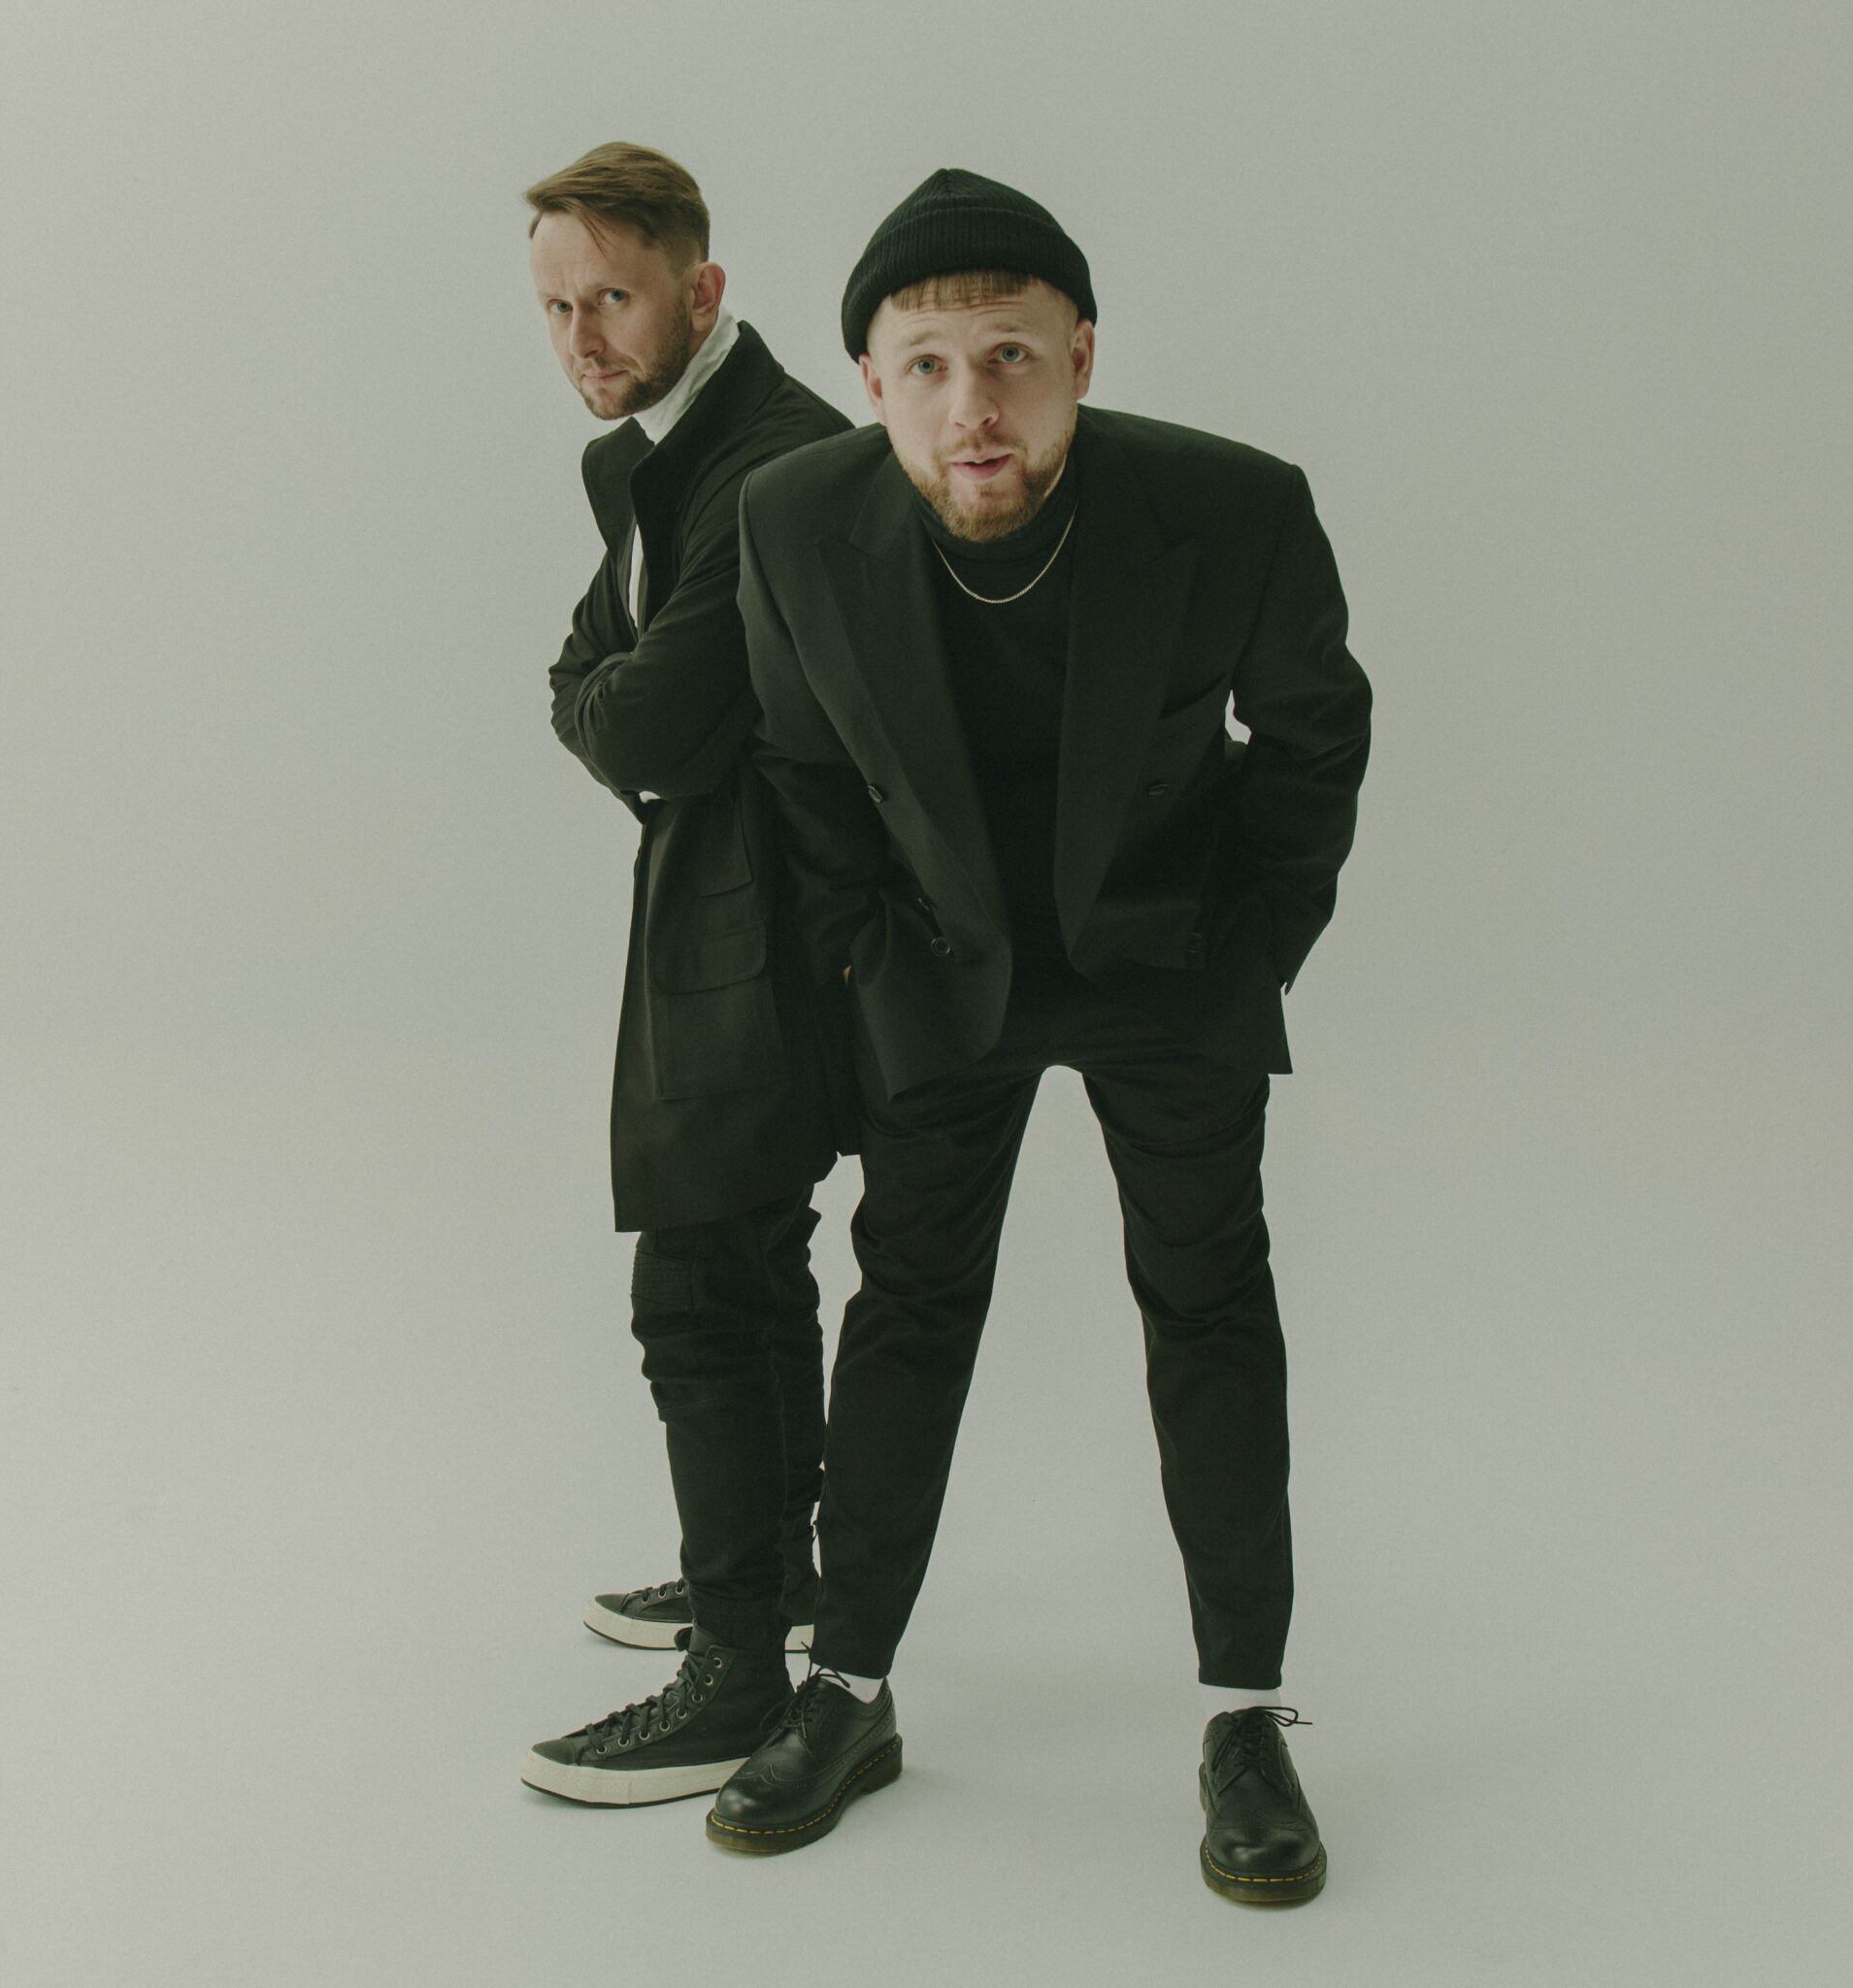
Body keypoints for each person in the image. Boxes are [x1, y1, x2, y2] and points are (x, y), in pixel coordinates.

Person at [708, 169, 1372, 1903]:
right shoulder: (792, 522)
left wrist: (1252, 951)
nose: (973, 406)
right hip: (940, 969)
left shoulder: (1232, 506)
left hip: (1170, 959)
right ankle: (849, 1690)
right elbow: (798, 765)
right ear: (870, 381)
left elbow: (1315, 732)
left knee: (1209, 1303)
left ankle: (1243, 1716)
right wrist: (868, 957)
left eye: (1010, 355)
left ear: (1082, 353)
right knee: (909, 1306)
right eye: (927, 368)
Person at [513, 142, 852, 1808]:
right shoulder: (673, 453)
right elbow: (589, 670)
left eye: (614, 299)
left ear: (701, 291)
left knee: (701, 1284)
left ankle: (734, 1676)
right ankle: (769, 1582)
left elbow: (639, 718)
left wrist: (617, 705)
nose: (582, 338)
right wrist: (617, 700)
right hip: (729, 903)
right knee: (748, 1261)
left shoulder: (771, 462)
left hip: (774, 923)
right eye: (556, 308)